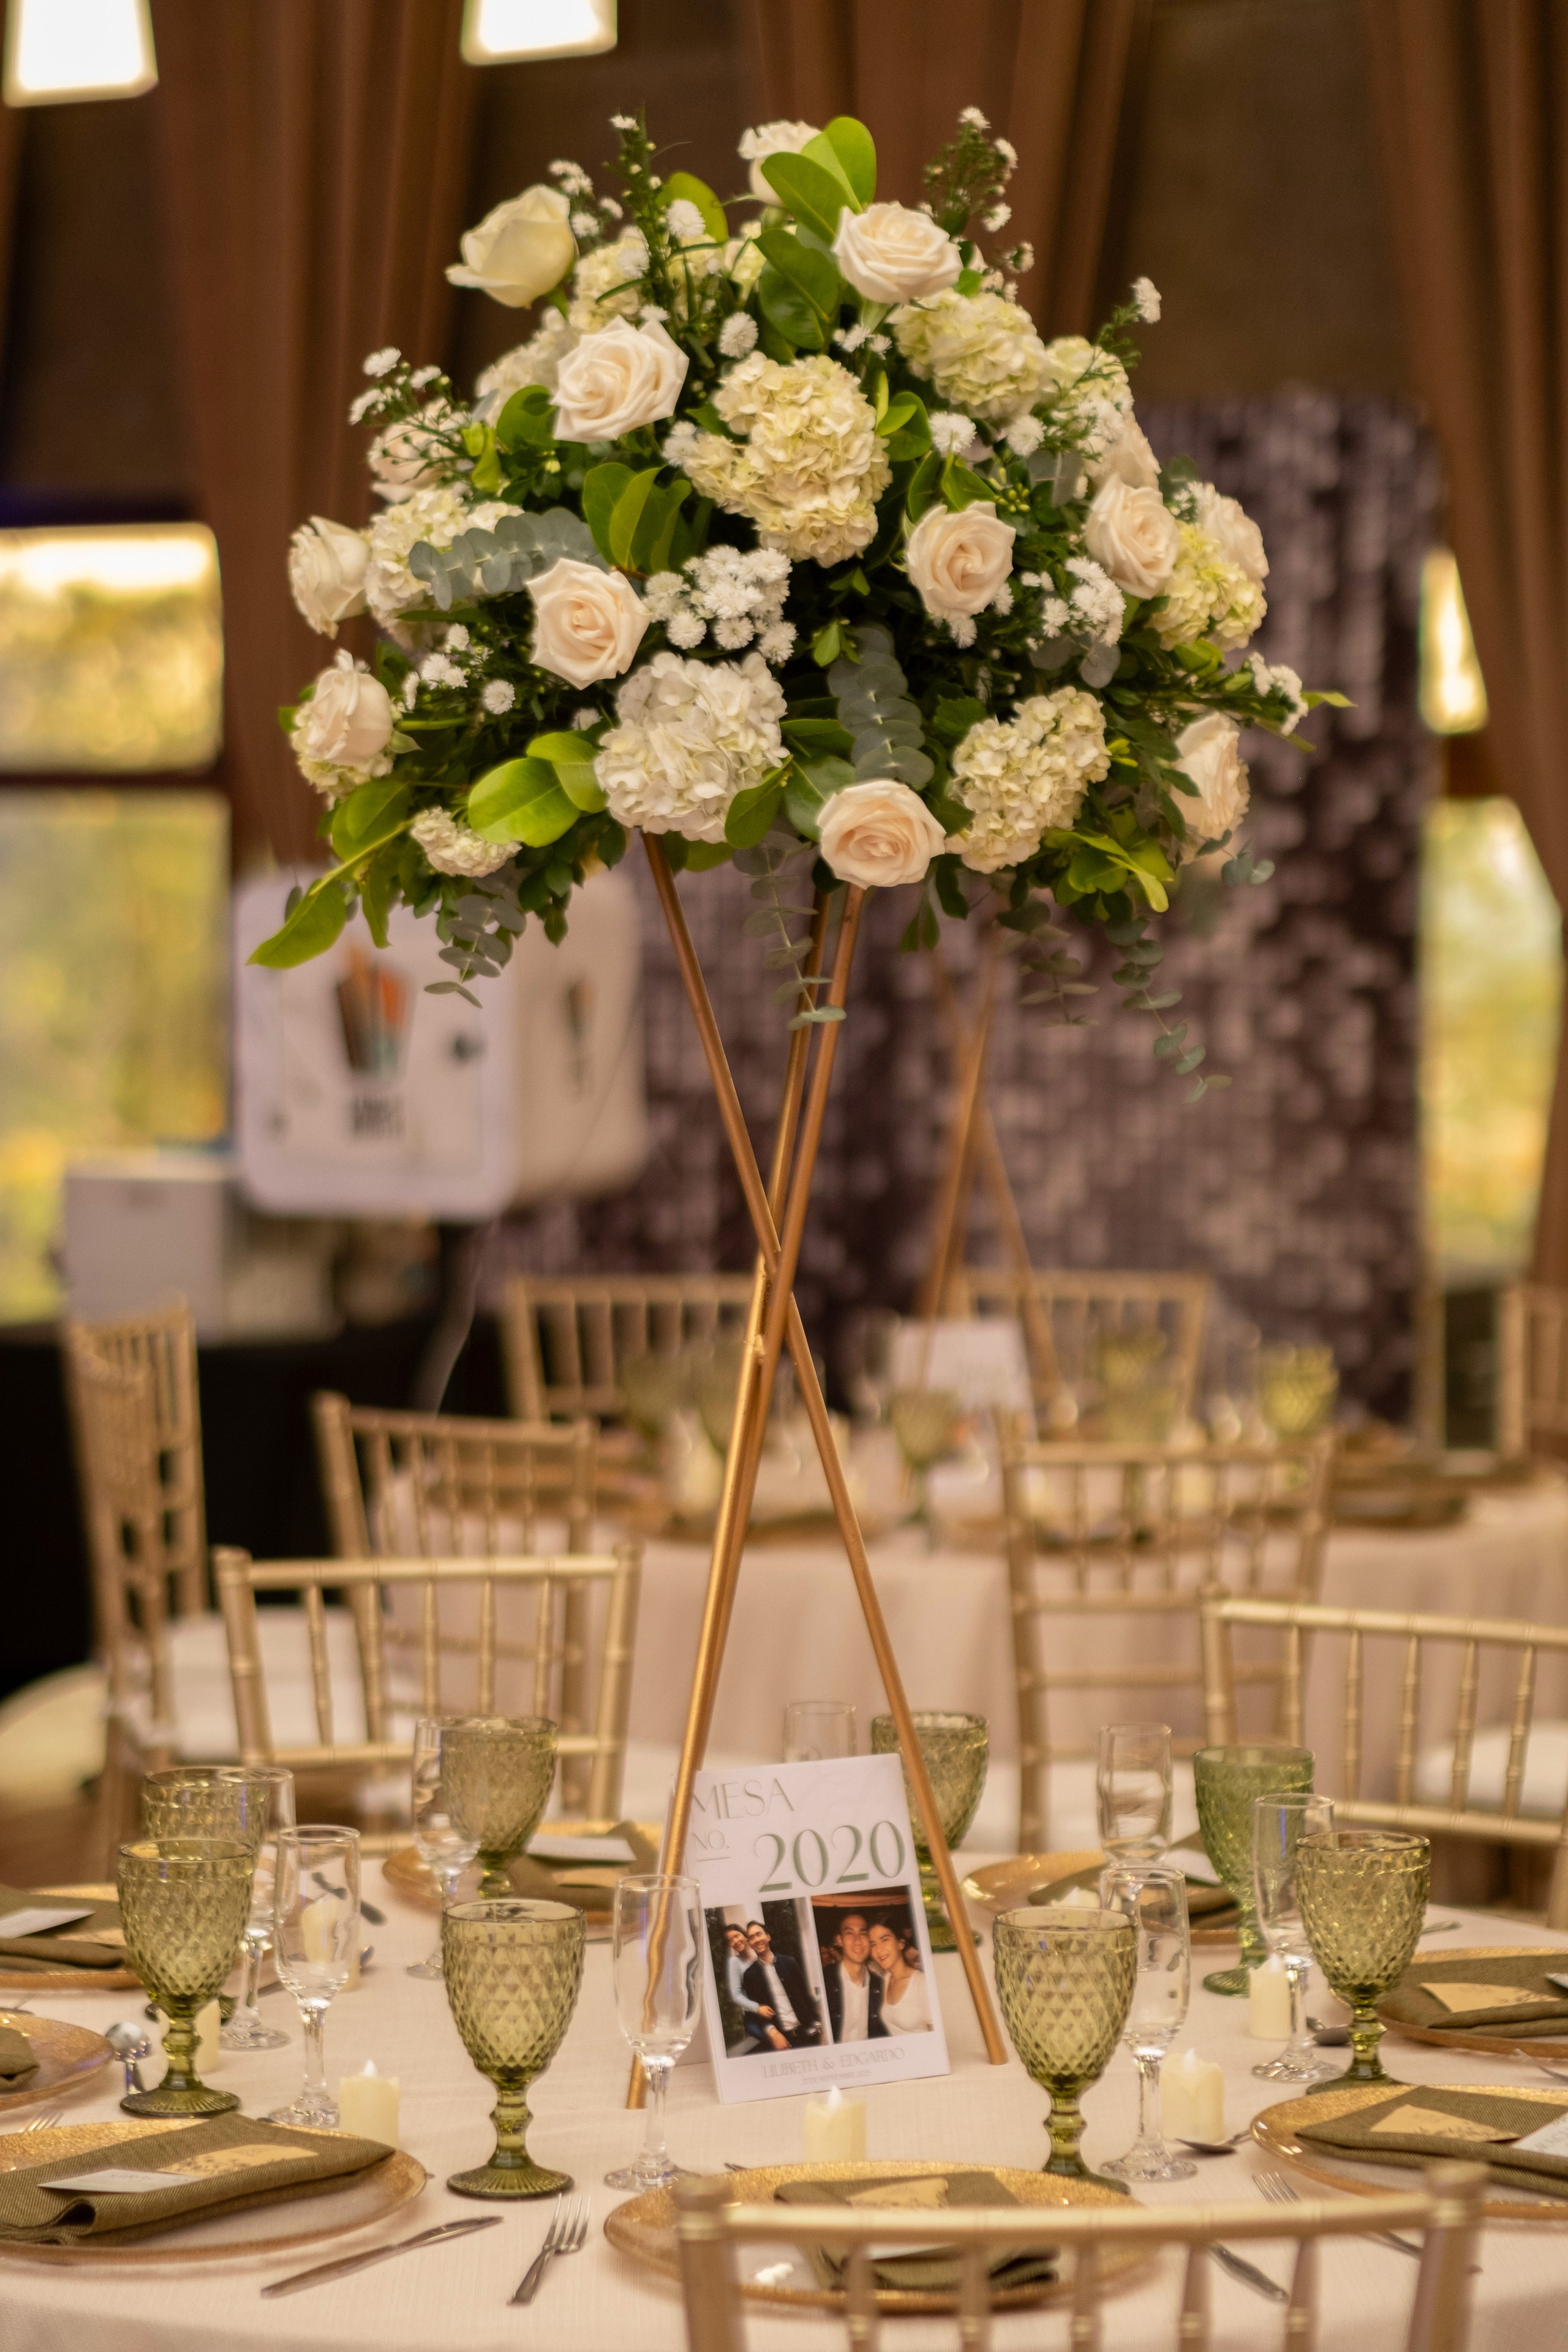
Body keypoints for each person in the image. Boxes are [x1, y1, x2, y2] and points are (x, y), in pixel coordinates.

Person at [740, 1918, 821, 2049]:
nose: (756, 1939)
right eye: (752, 1937)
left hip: (810, 2035)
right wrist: (772, 2032)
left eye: (759, 1934)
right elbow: (756, 2012)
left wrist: (820, 2026)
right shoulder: (750, 1975)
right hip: (783, 2042)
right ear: (750, 1943)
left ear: (768, 1937)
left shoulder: (789, 1963)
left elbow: (805, 1996)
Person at [821, 1909, 886, 2043]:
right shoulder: (824, 1981)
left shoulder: (881, 1986)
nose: (858, 1941)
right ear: (840, 1940)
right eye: (850, 1933)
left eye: (863, 1933)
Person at [867, 1917, 932, 2035]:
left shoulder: (922, 1983)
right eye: (873, 1944)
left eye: (885, 1940)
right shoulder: (886, 1979)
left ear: (900, 1944)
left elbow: (937, 2037)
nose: (879, 1950)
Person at [722, 1922, 770, 2052]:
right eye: (730, 1940)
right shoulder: (734, 1962)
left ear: (745, 1936)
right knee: (772, 2042)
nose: (735, 1941)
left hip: (771, 2009)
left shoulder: (759, 1956)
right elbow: (736, 1994)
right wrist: (757, 2008)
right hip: (754, 2016)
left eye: (737, 1936)